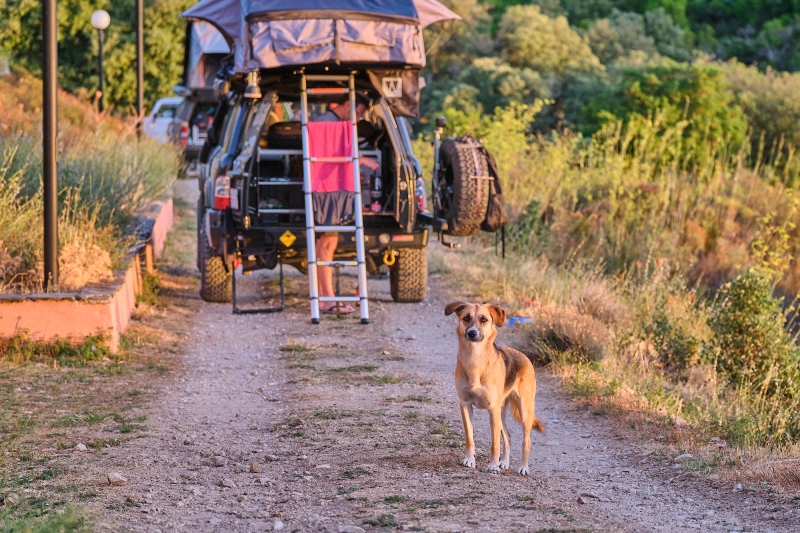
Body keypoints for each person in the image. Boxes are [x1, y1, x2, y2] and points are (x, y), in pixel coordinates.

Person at [312, 96, 379, 314]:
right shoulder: (326, 123)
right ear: (347, 103)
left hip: (331, 189)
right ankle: (327, 299)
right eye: (358, 113)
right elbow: (328, 153)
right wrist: (361, 159)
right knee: (327, 243)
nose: (359, 119)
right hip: (327, 189)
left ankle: (324, 297)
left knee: (327, 242)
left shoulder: (336, 123)